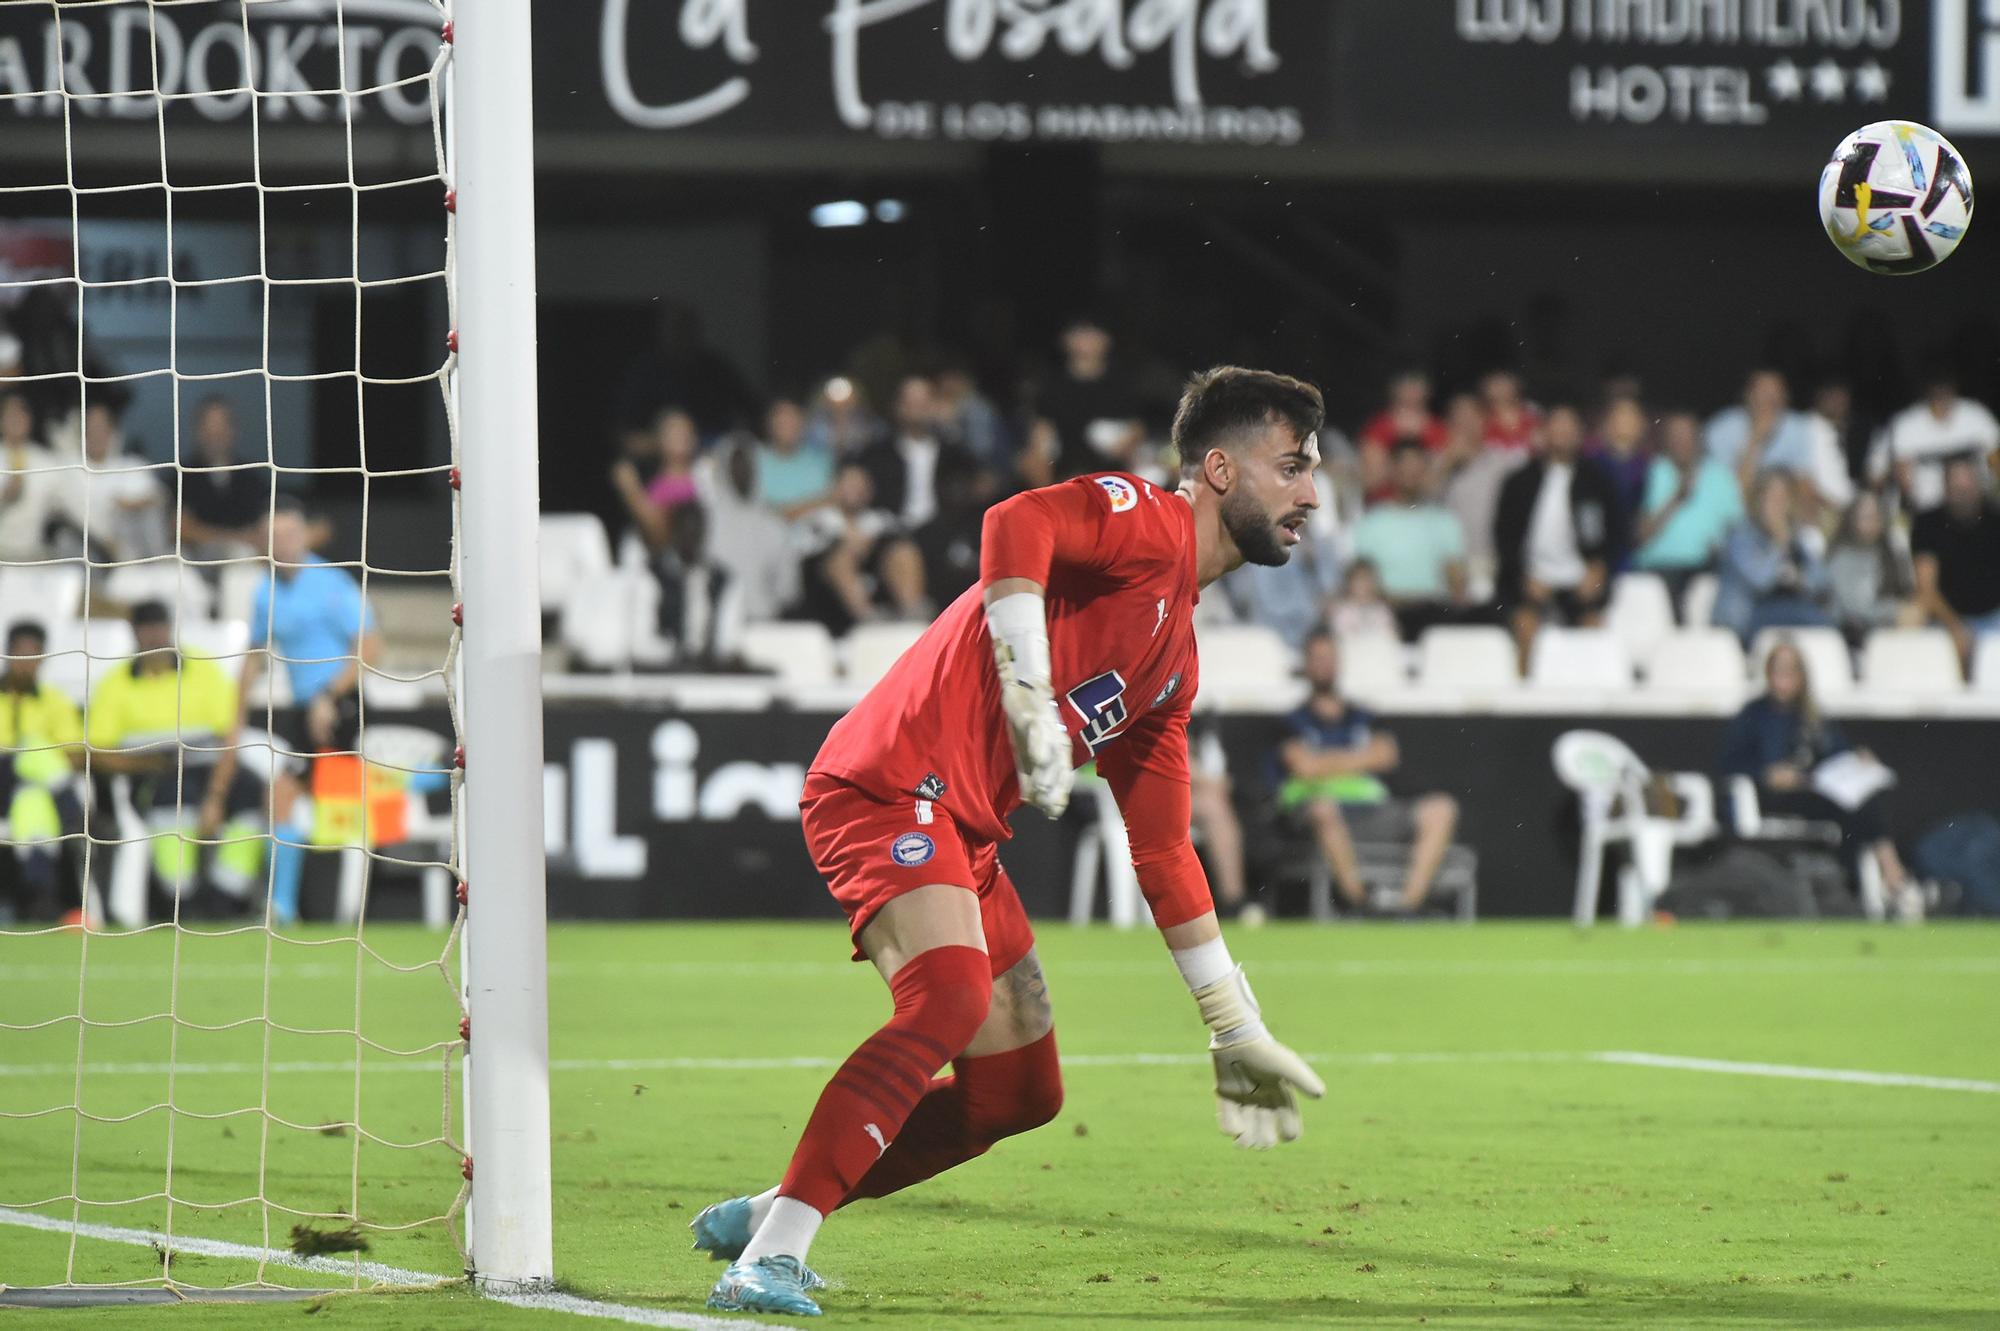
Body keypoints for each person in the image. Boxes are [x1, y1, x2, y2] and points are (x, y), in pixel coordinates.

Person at [695, 366, 1329, 1316]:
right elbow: (1013, 524)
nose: (1311, 494)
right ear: (1219, 469)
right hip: (885, 784)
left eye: (1313, 472)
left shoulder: (1174, 659)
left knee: (1018, 1094)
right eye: (1291, 467)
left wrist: (1233, 1024)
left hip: (964, 830)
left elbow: (1163, 854)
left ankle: (778, 1203)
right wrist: (1027, 684)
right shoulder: (1144, 518)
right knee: (947, 996)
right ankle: (773, 1254)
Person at [218, 499, 380, 925]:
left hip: (343, 705)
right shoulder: (266, 592)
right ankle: (282, 905)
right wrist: (233, 723)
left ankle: (293, 905)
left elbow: (369, 649)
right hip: (305, 709)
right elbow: (252, 660)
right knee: (282, 799)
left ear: (306, 536)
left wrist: (329, 695)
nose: (282, 543)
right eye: (273, 536)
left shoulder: (333, 584)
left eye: (289, 534)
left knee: (310, 805)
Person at [87, 601, 264, 918]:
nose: (154, 637)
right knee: (173, 797)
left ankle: (226, 896)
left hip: (208, 766)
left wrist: (217, 795)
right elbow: (97, 753)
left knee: (250, 791)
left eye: (160, 627)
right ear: (135, 633)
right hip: (153, 775)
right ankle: (181, 899)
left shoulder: (203, 669)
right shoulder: (115, 684)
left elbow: (229, 736)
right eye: (146, 629)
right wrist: (145, 765)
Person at [1719, 638, 1915, 917]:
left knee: (1863, 802)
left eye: (1791, 670)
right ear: (1768, 672)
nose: (1783, 677)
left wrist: (1857, 759)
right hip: (1776, 799)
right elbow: (1730, 762)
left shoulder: (1812, 715)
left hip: (1814, 794)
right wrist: (1766, 775)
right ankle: (1890, 878)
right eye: (1778, 669)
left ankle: (1882, 877)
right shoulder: (1753, 715)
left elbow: (1835, 754)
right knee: (1853, 810)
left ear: (1801, 675)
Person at [1275, 630, 1459, 915]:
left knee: (1441, 808)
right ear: (1306, 665)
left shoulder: (1364, 715)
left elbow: (1386, 756)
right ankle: (1360, 904)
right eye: (1318, 658)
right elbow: (1303, 767)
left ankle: (1407, 907)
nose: (1325, 665)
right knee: (1323, 809)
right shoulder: (1290, 721)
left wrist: (1326, 761)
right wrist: (1359, 758)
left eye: (1330, 658)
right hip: (1324, 816)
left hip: (1374, 810)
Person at [1493, 404, 1624, 666]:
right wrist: (1523, 576)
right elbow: (1504, 537)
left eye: (1569, 426)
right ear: (1542, 431)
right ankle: (1523, 697)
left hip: (1580, 580)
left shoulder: (1597, 482)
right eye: (1556, 425)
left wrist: (1599, 569)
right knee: (1525, 626)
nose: (1563, 432)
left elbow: (1617, 533)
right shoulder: (1520, 481)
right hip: (1532, 579)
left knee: (1593, 629)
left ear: (1580, 434)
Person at [0, 620, 84, 921]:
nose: (26, 663)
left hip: (31, 791)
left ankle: (37, 894)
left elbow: (76, 755)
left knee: (31, 798)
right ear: (7, 655)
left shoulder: (55, 701)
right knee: (31, 747)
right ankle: (71, 806)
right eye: (20, 654)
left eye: (33, 655)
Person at [1350, 438, 1469, 638]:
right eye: (1405, 466)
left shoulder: (1445, 521)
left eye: (1417, 467)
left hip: (1434, 614)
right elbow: (1363, 581)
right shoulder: (1371, 523)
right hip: (1388, 614)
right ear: (1392, 470)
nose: (1411, 474)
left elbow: (1456, 583)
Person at [794, 462, 928, 633]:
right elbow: (807, 558)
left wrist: (867, 544)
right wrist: (847, 542)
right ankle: (869, 621)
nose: (855, 490)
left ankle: (913, 616)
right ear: (835, 488)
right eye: (849, 484)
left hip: (878, 588)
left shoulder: (880, 519)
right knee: (841, 558)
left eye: (860, 485)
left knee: (904, 550)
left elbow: (894, 546)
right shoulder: (817, 519)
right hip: (826, 595)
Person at [1632, 410, 1743, 607]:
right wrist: (1676, 498)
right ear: (1665, 440)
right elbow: (1640, 535)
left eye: (1686, 434)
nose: (1680, 441)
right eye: (1674, 435)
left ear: (1698, 437)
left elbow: (1737, 529)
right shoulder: (1650, 471)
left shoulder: (1721, 476)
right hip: (1659, 569)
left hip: (1708, 570)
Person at [1713, 473, 1833, 645]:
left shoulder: (1794, 536)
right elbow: (1761, 579)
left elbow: (1822, 581)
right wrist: (1779, 543)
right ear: (1758, 500)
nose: (1778, 504)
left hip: (1789, 607)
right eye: (1772, 496)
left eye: (1783, 497)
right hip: (1747, 616)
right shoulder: (1741, 535)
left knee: (1827, 631)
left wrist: (1801, 579)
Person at [1025, 317, 1143, 485]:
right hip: (1065, 461)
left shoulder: (1122, 381)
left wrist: (1125, 444)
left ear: (1106, 340)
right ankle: (1051, 506)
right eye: (1079, 334)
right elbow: (1042, 432)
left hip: (1112, 462)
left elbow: (1137, 428)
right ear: (1065, 340)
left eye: (1092, 334)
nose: (1085, 341)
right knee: (1030, 460)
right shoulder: (1051, 384)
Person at [699, 437, 799, 626]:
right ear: (724, 469)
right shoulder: (707, 522)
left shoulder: (773, 523)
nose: (742, 472)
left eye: (747, 465)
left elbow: (788, 589)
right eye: (736, 465)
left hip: (764, 620)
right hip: (716, 622)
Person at [1910, 455, 2000, 665]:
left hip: (1995, 616)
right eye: (1956, 481)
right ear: (1945, 485)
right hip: (1946, 618)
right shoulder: (1927, 523)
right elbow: (1926, 587)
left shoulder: (1996, 519)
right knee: (1913, 614)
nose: (1963, 487)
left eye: (1968, 479)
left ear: (1979, 483)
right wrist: (1955, 627)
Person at [1874, 369, 2000, 513]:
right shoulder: (1907, 424)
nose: (1942, 398)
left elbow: (1995, 458)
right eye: (1937, 392)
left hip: (1975, 504)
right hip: (1926, 505)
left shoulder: (1976, 415)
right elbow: (1903, 476)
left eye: (1946, 391)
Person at [178, 397, 269, 564]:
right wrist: (237, 538)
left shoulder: (251, 477)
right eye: (208, 426)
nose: (214, 433)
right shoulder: (181, 475)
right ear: (197, 430)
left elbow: (265, 526)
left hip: (245, 560)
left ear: (233, 430)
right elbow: (180, 529)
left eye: (220, 426)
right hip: (195, 562)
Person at [1825, 493, 1919, 645]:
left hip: (1886, 629)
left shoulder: (1892, 553)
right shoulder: (1840, 556)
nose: (1872, 522)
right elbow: (1853, 607)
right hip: (1848, 633)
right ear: (1852, 519)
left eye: (1876, 516)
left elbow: (1905, 591)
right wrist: (1895, 611)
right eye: (1865, 516)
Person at [1705, 369, 1817, 495]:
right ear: (1747, 395)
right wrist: (1755, 439)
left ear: (1785, 398)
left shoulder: (1799, 428)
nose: (1768, 400)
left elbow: (1805, 483)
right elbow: (1730, 494)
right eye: (1762, 392)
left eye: (1775, 393)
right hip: (1735, 506)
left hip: (1782, 503)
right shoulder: (1721, 429)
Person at [0, 390, 67, 564]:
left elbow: (66, 507)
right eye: (10, 414)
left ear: (30, 419)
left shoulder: (48, 461)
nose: (16, 419)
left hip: (34, 558)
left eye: (21, 413)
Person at [1357, 370, 1445, 500]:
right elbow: (1371, 480)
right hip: (1384, 506)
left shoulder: (1438, 430)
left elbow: (1440, 479)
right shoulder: (1378, 428)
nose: (1411, 392)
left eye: (1416, 385)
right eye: (1407, 385)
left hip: (1427, 507)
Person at [1588, 395, 1652, 564]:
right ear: (1606, 423)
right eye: (1619, 415)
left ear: (1642, 424)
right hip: (1600, 555)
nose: (1625, 421)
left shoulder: (1652, 467)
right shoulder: (1591, 464)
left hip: (1642, 556)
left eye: (1631, 415)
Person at [756, 396, 834, 520]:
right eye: (782, 421)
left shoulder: (823, 460)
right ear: (769, 423)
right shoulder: (752, 460)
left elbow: (834, 501)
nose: (789, 426)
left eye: (794, 419)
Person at [1328, 559, 1398, 641]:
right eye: (1359, 580)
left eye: (1367, 580)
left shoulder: (1382, 610)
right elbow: (1340, 640)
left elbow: (1391, 638)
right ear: (1349, 584)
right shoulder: (1342, 611)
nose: (1364, 585)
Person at [1478, 370, 1541, 453]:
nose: (1501, 388)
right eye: (1496, 383)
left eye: (1504, 383)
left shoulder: (1532, 411)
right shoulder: (1481, 419)